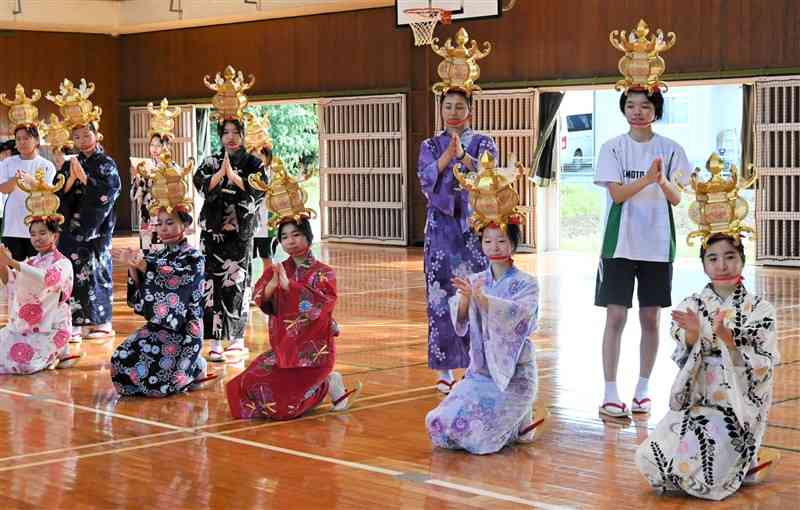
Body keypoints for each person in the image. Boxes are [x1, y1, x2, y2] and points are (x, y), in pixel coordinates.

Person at [635, 234, 779, 499]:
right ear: (703, 266)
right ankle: (744, 463)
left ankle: (745, 458)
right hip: (700, 397)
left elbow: (762, 363)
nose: (721, 265)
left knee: (710, 478)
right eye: (713, 258)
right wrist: (692, 333)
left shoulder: (761, 309)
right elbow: (682, 347)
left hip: (736, 404)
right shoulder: (692, 305)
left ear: (743, 261)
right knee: (650, 458)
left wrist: (727, 339)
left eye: (730, 257)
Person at [597, 21, 689, 417]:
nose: (638, 112)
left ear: (656, 110)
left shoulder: (671, 149)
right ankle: (609, 390)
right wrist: (646, 181)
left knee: (651, 318)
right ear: (624, 109)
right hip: (619, 244)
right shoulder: (612, 147)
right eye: (631, 106)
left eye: (645, 106)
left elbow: (677, 198)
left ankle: (643, 388)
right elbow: (616, 194)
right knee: (616, 316)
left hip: (656, 244)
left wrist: (662, 180)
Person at [425, 155, 543, 454]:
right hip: (480, 373)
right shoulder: (476, 279)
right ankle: (514, 422)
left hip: (513, 375)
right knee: (439, 426)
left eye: (501, 241)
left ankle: (520, 415)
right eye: (488, 241)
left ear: (514, 242)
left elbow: (521, 319)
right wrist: (465, 300)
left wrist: (483, 300)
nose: (494, 247)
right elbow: (461, 324)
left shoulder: (527, 283)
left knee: (479, 441)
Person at [226, 160, 360, 420]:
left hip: (312, 356)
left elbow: (323, 304)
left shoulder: (324, 271)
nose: (290, 241)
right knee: (243, 387)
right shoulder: (276, 269)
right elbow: (260, 298)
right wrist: (272, 288)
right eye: (285, 236)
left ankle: (327, 383)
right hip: (284, 351)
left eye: (296, 234)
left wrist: (292, 288)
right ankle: (323, 386)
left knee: (284, 409)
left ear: (308, 236)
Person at [419, 28, 496, 394]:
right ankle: (445, 370)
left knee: (475, 297)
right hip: (439, 231)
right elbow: (425, 181)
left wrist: (461, 156)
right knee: (439, 299)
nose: (454, 112)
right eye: (448, 106)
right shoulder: (429, 144)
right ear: (442, 109)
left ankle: (476, 363)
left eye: (460, 107)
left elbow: (489, 179)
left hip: (474, 232)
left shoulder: (484, 142)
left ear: (470, 109)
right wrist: (445, 157)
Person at [111, 158, 214, 396]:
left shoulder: (194, 258)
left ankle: (195, 366)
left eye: (170, 223)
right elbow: (145, 288)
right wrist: (133, 267)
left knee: (161, 382)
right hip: (159, 327)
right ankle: (193, 368)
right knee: (121, 359)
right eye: (160, 224)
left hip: (185, 331)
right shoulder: (154, 256)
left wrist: (143, 265)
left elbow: (175, 283)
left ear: (185, 226)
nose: (164, 228)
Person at [194, 66, 267, 363]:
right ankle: (212, 341)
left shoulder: (253, 162)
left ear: (244, 134)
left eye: (236, 133)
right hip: (212, 232)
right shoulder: (210, 161)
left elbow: (260, 190)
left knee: (235, 282)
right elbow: (200, 184)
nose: (231, 138)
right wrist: (216, 179)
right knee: (210, 284)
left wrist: (237, 180)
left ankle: (236, 339)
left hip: (239, 233)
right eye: (226, 133)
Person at [47, 78, 121, 343]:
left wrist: (88, 182)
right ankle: (75, 323)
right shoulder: (69, 164)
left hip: (97, 230)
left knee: (97, 271)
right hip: (71, 231)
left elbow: (109, 193)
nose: (81, 140)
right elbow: (56, 196)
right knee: (72, 274)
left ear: (96, 134)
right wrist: (68, 183)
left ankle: (102, 322)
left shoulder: (106, 163)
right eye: (76, 136)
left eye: (86, 135)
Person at [0, 170, 82, 374]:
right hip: (25, 327)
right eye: (33, 234)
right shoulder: (31, 261)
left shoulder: (62, 263)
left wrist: (12, 262)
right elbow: (12, 283)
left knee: (23, 365)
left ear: (54, 235)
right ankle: (56, 356)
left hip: (50, 328)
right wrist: (2, 265)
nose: (37, 238)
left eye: (43, 233)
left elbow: (46, 280)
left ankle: (58, 352)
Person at [0, 84, 57, 261]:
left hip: (38, 228)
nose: (22, 142)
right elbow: (3, 189)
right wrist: (15, 181)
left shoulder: (47, 165)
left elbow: (49, 193)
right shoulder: (8, 162)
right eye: (18, 139)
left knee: (37, 269)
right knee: (13, 269)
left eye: (27, 138)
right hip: (12, 226)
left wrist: (32, 182)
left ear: (37, 140)